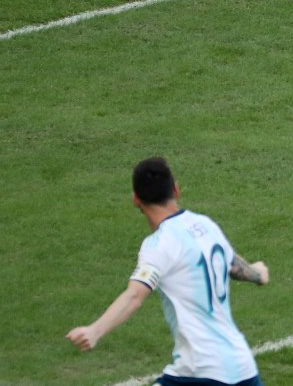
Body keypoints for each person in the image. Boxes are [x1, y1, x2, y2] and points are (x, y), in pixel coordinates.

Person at [66, 157, 269, 386]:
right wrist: (258, 274)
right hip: (243, 367)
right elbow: (234, 266)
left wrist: (94, 331)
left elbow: (135, 296)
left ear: (135, 199)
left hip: (200, 370)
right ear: (176, 189)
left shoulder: (159, 245)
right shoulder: (205, 224)